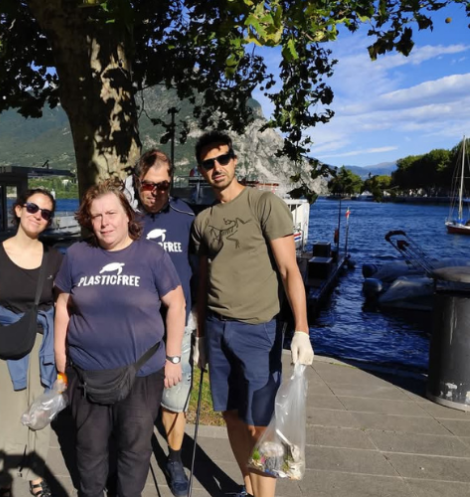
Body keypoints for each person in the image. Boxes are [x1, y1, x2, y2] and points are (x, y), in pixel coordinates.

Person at [190, 131, 314, 497]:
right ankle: (248, 489)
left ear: (234, 160)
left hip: (258, 331)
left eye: (222, 159)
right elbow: (202, 282)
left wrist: (302, 330)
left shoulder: (264, 204)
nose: (217, 167)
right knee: (231, 416)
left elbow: (289, 270)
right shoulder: (203, 221)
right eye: (208, 163)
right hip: (216, 330)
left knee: (261, 425)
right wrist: (200, 336)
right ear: (201, 170)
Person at [54, 178, 185, 497]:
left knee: (135, 449)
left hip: (142, 375)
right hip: (86, 374)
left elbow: (177, 304)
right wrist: (60, 360)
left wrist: (173, 358)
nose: (105, 222)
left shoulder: (152, 255)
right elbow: (62, 307)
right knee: (89, 449)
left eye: (111, 213)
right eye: (96, 216)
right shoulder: (77, 255)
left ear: (127, 215)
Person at [0, 188, 63, 497]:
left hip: (41, 348)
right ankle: (3, 479)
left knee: (39, 412)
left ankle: (36, 475)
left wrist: (61, 362)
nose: (38, 216)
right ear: (19, 209)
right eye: (33, 208)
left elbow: (62, 309)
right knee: (2, 413)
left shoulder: (55, 259)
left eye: (46, 213)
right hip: (4, 344)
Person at [135, 150, 196, 497]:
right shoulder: (127, 220)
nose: (156, 191)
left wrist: (200, 321)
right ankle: (133, 454)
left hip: (179, 326)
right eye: (149, 184)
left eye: (163, 185)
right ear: (137, 182)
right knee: (134, 398)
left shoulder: (187, 217)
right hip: (136, 328)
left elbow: (200, 271)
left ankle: (174, 459)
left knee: (174, 398)